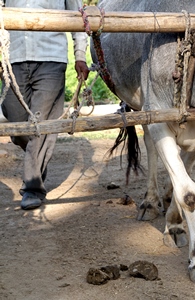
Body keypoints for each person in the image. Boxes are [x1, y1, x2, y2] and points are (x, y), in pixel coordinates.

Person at [1, 0, 90, 210]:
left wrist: (80, 56)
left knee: (41, 125)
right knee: (17, 124)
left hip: (51, 59)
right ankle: (38, 160)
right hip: (14, 58)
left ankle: (33, 187)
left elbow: (79, 17)